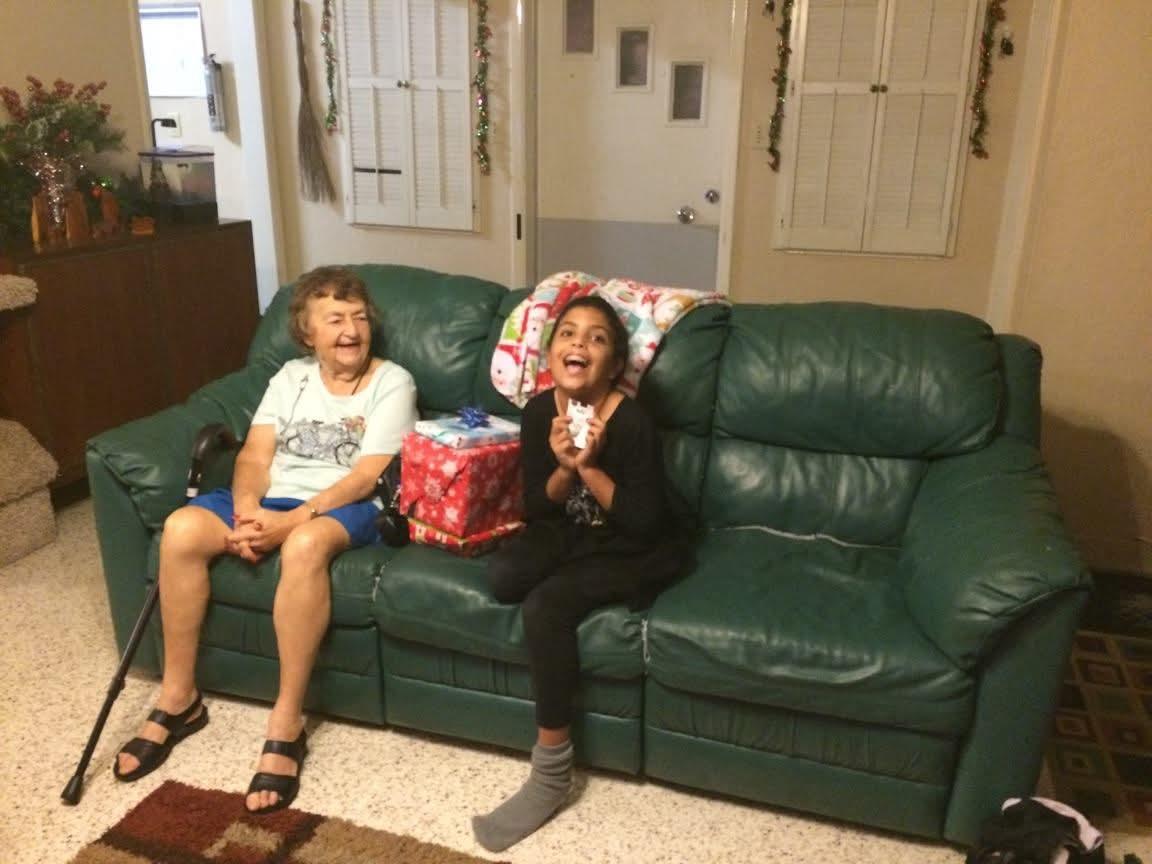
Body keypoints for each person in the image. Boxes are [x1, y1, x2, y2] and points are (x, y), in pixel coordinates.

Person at [113, 266, 418, 814]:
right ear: (308, 334)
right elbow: (254, 455)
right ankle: (178, 698)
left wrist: (294, 519)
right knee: (181, 530)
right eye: (335, 320)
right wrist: (249, 510)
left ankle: (286, 721)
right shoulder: (290, 378)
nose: (350, 329)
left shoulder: (392, 381)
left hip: (344, 507)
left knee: (303, 547)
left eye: (358, 317)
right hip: (270, 499)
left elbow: (367, 475)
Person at [472, 296, 687, 852]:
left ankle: (551, 772)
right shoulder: (541, 411)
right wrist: (564, 467)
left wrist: (590, 466)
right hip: (569, 533)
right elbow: (538, 508)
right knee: (504, 577)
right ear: (550, 354)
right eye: (568, 333)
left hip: (634, 545)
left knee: (547, 606)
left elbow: (643, 523)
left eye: (596, 339)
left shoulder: (633, 421)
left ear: (615, 365)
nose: (579, 344)